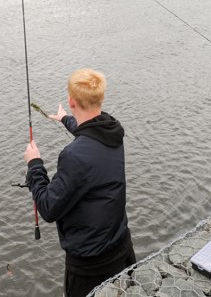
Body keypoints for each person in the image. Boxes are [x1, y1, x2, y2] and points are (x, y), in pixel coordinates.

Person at [23, 68, 136, 297]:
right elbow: (90, 133)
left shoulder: (74, 156)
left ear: (71, 100)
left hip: (90, 264)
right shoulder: (113, 131)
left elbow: (48, 208)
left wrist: (35, 165)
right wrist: (65, 119)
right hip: (121, 247)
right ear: (101, 98)